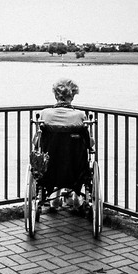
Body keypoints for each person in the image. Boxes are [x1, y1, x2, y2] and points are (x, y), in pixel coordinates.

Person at [38, 78, 88, 210]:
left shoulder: (44, 114)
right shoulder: (80, 116)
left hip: (50, 166)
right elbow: (90, 143)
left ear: (56, 95)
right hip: (74, 167)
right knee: (76, 159)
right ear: (73, 96)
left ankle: (54, 199)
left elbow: (37, 141)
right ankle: (76, 198)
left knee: (51, 157)